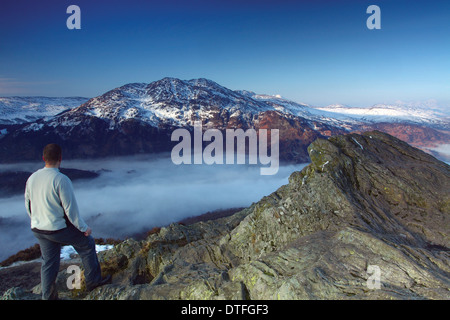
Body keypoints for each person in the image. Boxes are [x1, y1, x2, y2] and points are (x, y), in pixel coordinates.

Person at [25, 143, 110, 299]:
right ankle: (93, 282)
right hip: (57, 228)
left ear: (43, 158)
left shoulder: (32, 178)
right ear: (60, 158)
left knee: (49, 263)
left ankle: (48, 296)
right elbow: (70, 210)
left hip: (38, 228)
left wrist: (36, 220)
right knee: (87, 245)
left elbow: (28, 204)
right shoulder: (61, 179)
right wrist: (84, 228)